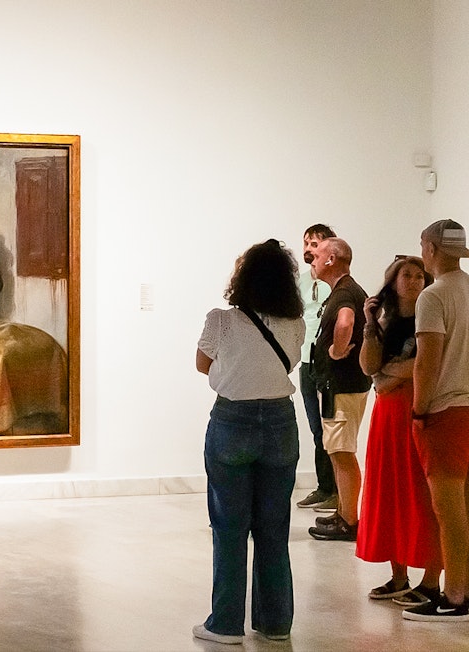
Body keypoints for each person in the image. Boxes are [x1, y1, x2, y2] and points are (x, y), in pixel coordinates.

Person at [193, 239, 305, 645]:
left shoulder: (221, 320)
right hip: (280, 421)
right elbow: (289, 362)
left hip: (232, 421)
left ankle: (225, 624)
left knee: (228, 526)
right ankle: (275, 623)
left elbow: (201, 364)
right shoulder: (295, 323)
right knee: (274, 528)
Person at [402, 220, 469, 622]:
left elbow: (428, 359)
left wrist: (420, 408)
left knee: (449, 509)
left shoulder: (434, 296)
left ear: (430, 249)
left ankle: (453, 596)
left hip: (447, 412)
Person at [353, 256, 442, 607]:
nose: (413, 280)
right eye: (406, 275)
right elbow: (367, 365)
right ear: (392, 282)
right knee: (389, 491)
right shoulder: (386, 321)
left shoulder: (431, 317)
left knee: (420, 493)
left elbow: (425, 364)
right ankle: (400, 575)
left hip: (417, 409)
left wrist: (386, 377)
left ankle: (431, 579)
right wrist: (369, 323)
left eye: (419, 275)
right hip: (387, 415)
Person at [307, 237, 372, 542]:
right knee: (337, 450)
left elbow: (345, 323)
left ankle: (349, 520)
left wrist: (335, 350)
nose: (312, 258)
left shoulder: (345, 293)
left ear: (332, 259)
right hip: (341, 386)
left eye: (317, 253)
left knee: (342, 452)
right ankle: (344, 512)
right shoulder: (346, 290)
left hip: (342, 386)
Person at [295, 224, 339, 511]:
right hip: (306, 362)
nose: (309, 249)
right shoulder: (300, 282)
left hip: (327, 365)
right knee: (315, 429)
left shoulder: (334, 283)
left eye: (315, 244)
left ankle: (337, 491)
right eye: (306, 244)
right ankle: (324, 488)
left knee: (331, 429)